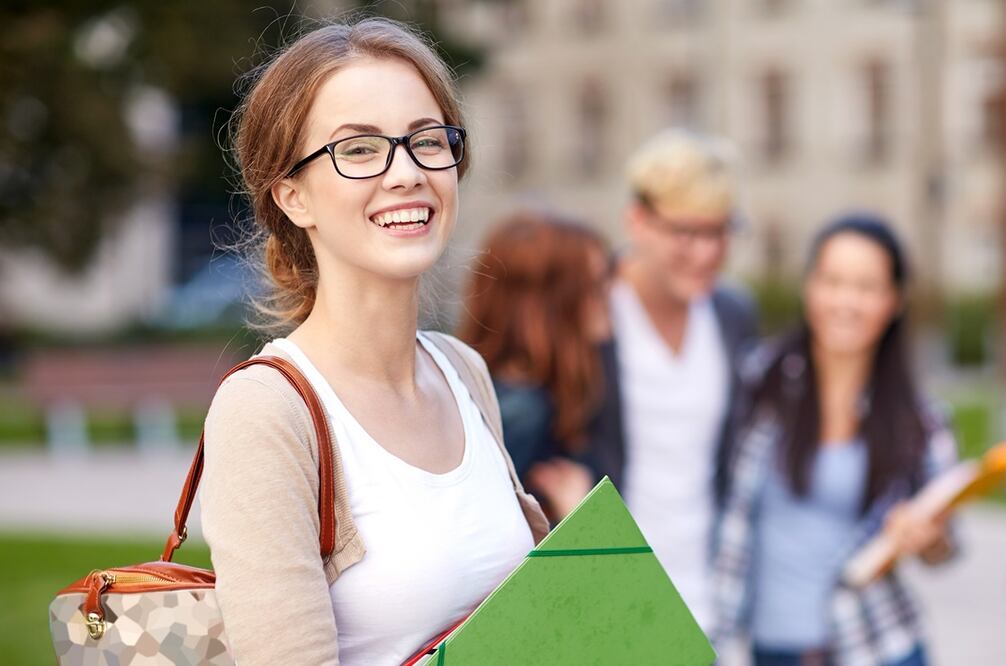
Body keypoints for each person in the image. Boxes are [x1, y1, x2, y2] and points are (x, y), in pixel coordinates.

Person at [199, 18, 548, 665]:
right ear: (292, 195)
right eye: (358, 149)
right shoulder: (267, 413)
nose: (407, 173)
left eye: (427, 140)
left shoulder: (462, 371)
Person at [713, 214, 958, 666]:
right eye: (833, 281)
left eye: (866, 287)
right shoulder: (756, 386)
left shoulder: (920, 421)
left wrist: (928, 538)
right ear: (810, 288)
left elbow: (946, 545)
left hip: (878, 647)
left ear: (894, 300)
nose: (846, 301)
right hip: (772, 651)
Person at [589, 128, 758, 637]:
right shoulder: (594, 311)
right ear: (637, 221)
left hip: (705, 605)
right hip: (608, 601)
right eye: (686, 233)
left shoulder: (731, 315)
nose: (706, 253)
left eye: (720, 232)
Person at [458, 209, 610, 520]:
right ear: (549, 302)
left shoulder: (543, 394)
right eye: (595, 285)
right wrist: (580, 517)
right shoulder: (520, 411)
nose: (609, 296)